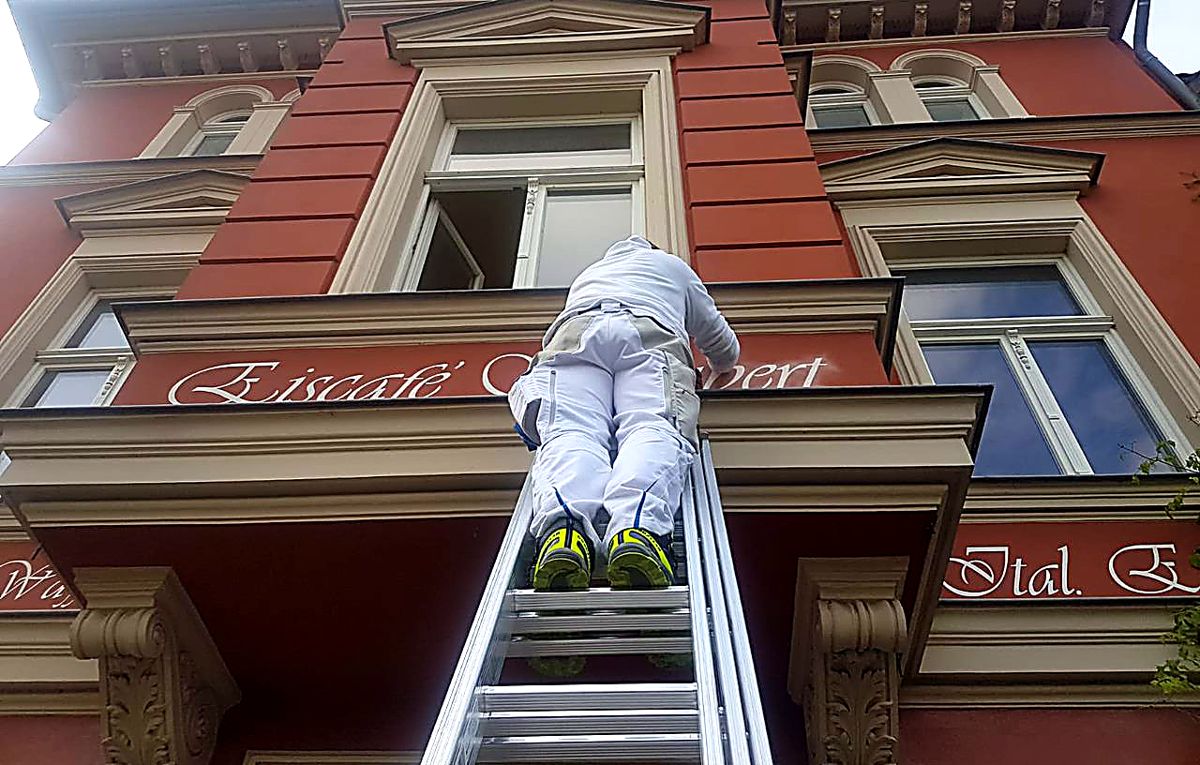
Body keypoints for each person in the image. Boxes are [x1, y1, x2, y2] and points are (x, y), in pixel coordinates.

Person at [508, 235, 740, 592]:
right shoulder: (672, 267)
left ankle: (564, 535)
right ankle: (636, 530)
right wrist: (720, 366)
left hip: (574, 334)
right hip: (647, 334)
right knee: (650, 425)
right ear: (652, 250)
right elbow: (719, 340)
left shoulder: (590, 274)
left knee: (573, 432)